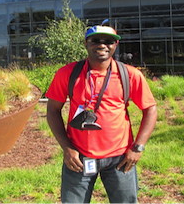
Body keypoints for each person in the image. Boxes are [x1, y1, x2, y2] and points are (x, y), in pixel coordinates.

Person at [45, 23, 157, 204]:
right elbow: (52, 110)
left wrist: (138, 147)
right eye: (95, 40)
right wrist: (67, 148)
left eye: (109, 41)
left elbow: (150, 109)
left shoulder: (130, 74)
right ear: (86, 43)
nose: (102, 45)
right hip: (79, 158)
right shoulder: (67, 73)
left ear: (115, 45)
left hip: (120, 159)